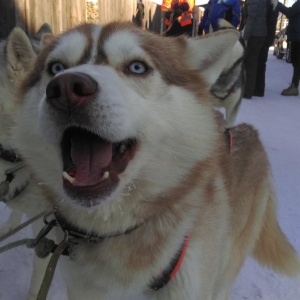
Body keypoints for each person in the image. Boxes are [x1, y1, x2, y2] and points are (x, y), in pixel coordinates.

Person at [272, 0, 300, 96]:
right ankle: (294, 85)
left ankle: (294, 86)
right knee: (297, 63)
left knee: (297, 63)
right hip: (296, 36)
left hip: (298, 37)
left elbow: (290, 12)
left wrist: (277, 4)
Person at [241, 0, 267, 99]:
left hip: (253, 34)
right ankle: (250, 90)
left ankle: (247, 91)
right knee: (253, 62)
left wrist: (246, 36)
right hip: (260, 33)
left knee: (248, 63)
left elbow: (252, 17)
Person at [253, 0, 279, 97]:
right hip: (268, 36)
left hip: (264, 36)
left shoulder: (268, 4)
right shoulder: (274, 4)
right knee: (262, 63)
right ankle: (260, 89)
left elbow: (265, 20)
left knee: (258, 62)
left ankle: (257, 89)